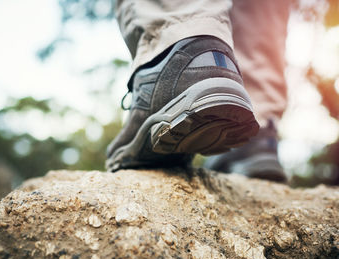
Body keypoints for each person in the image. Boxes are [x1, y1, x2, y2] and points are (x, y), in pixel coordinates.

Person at [106, 0, 290, 182]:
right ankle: (260, 127)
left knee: (186, 18)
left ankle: (178, 43)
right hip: (241, 74)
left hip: (177, 61)